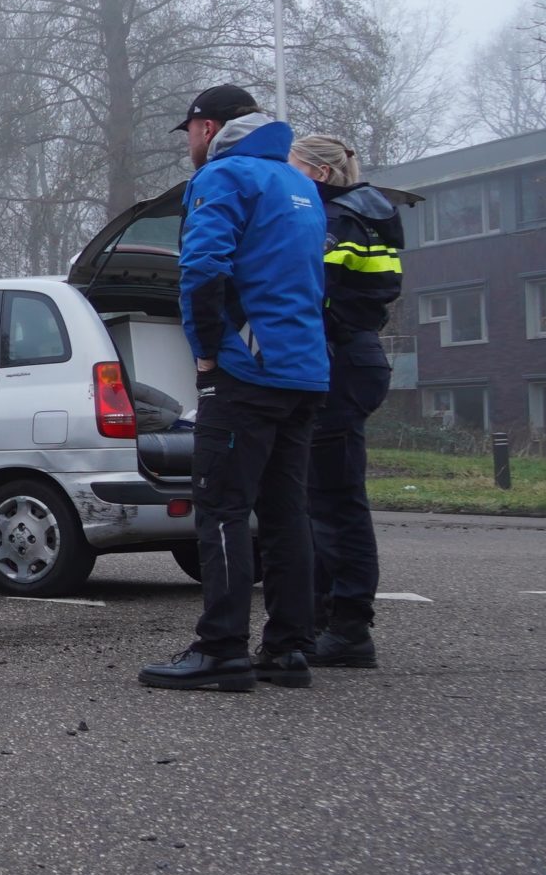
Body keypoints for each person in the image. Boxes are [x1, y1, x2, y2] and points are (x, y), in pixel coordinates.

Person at [140, 85, 330, 693]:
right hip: (304, 370)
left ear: (210, 127)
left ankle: (221, 648)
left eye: (190, 129)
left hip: (245, 373)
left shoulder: (224, 178)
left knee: (221, 508)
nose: (189, 143)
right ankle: (290, 648)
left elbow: (203, 269)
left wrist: (205, 351)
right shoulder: (299, 184)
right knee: (285, 514)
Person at [290, 132, 404, 668]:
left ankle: (351, 628)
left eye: (291, 171)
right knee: (320, 502)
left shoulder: (340, 222)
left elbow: (310, 287)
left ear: (315, 174)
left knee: (336, 505)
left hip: (341, 363)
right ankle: (321, 620)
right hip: (347, 360)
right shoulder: (356, 215)